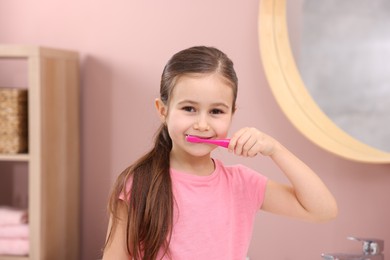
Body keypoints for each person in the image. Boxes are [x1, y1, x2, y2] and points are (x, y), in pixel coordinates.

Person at [102, 46, 338, 260]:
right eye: (189, 109)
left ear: (232, 114)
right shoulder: (138, 185)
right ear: (163, 110)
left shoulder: (241, 183)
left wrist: (275, 149)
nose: (202, 124)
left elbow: (322, 210)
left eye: (216, 111)